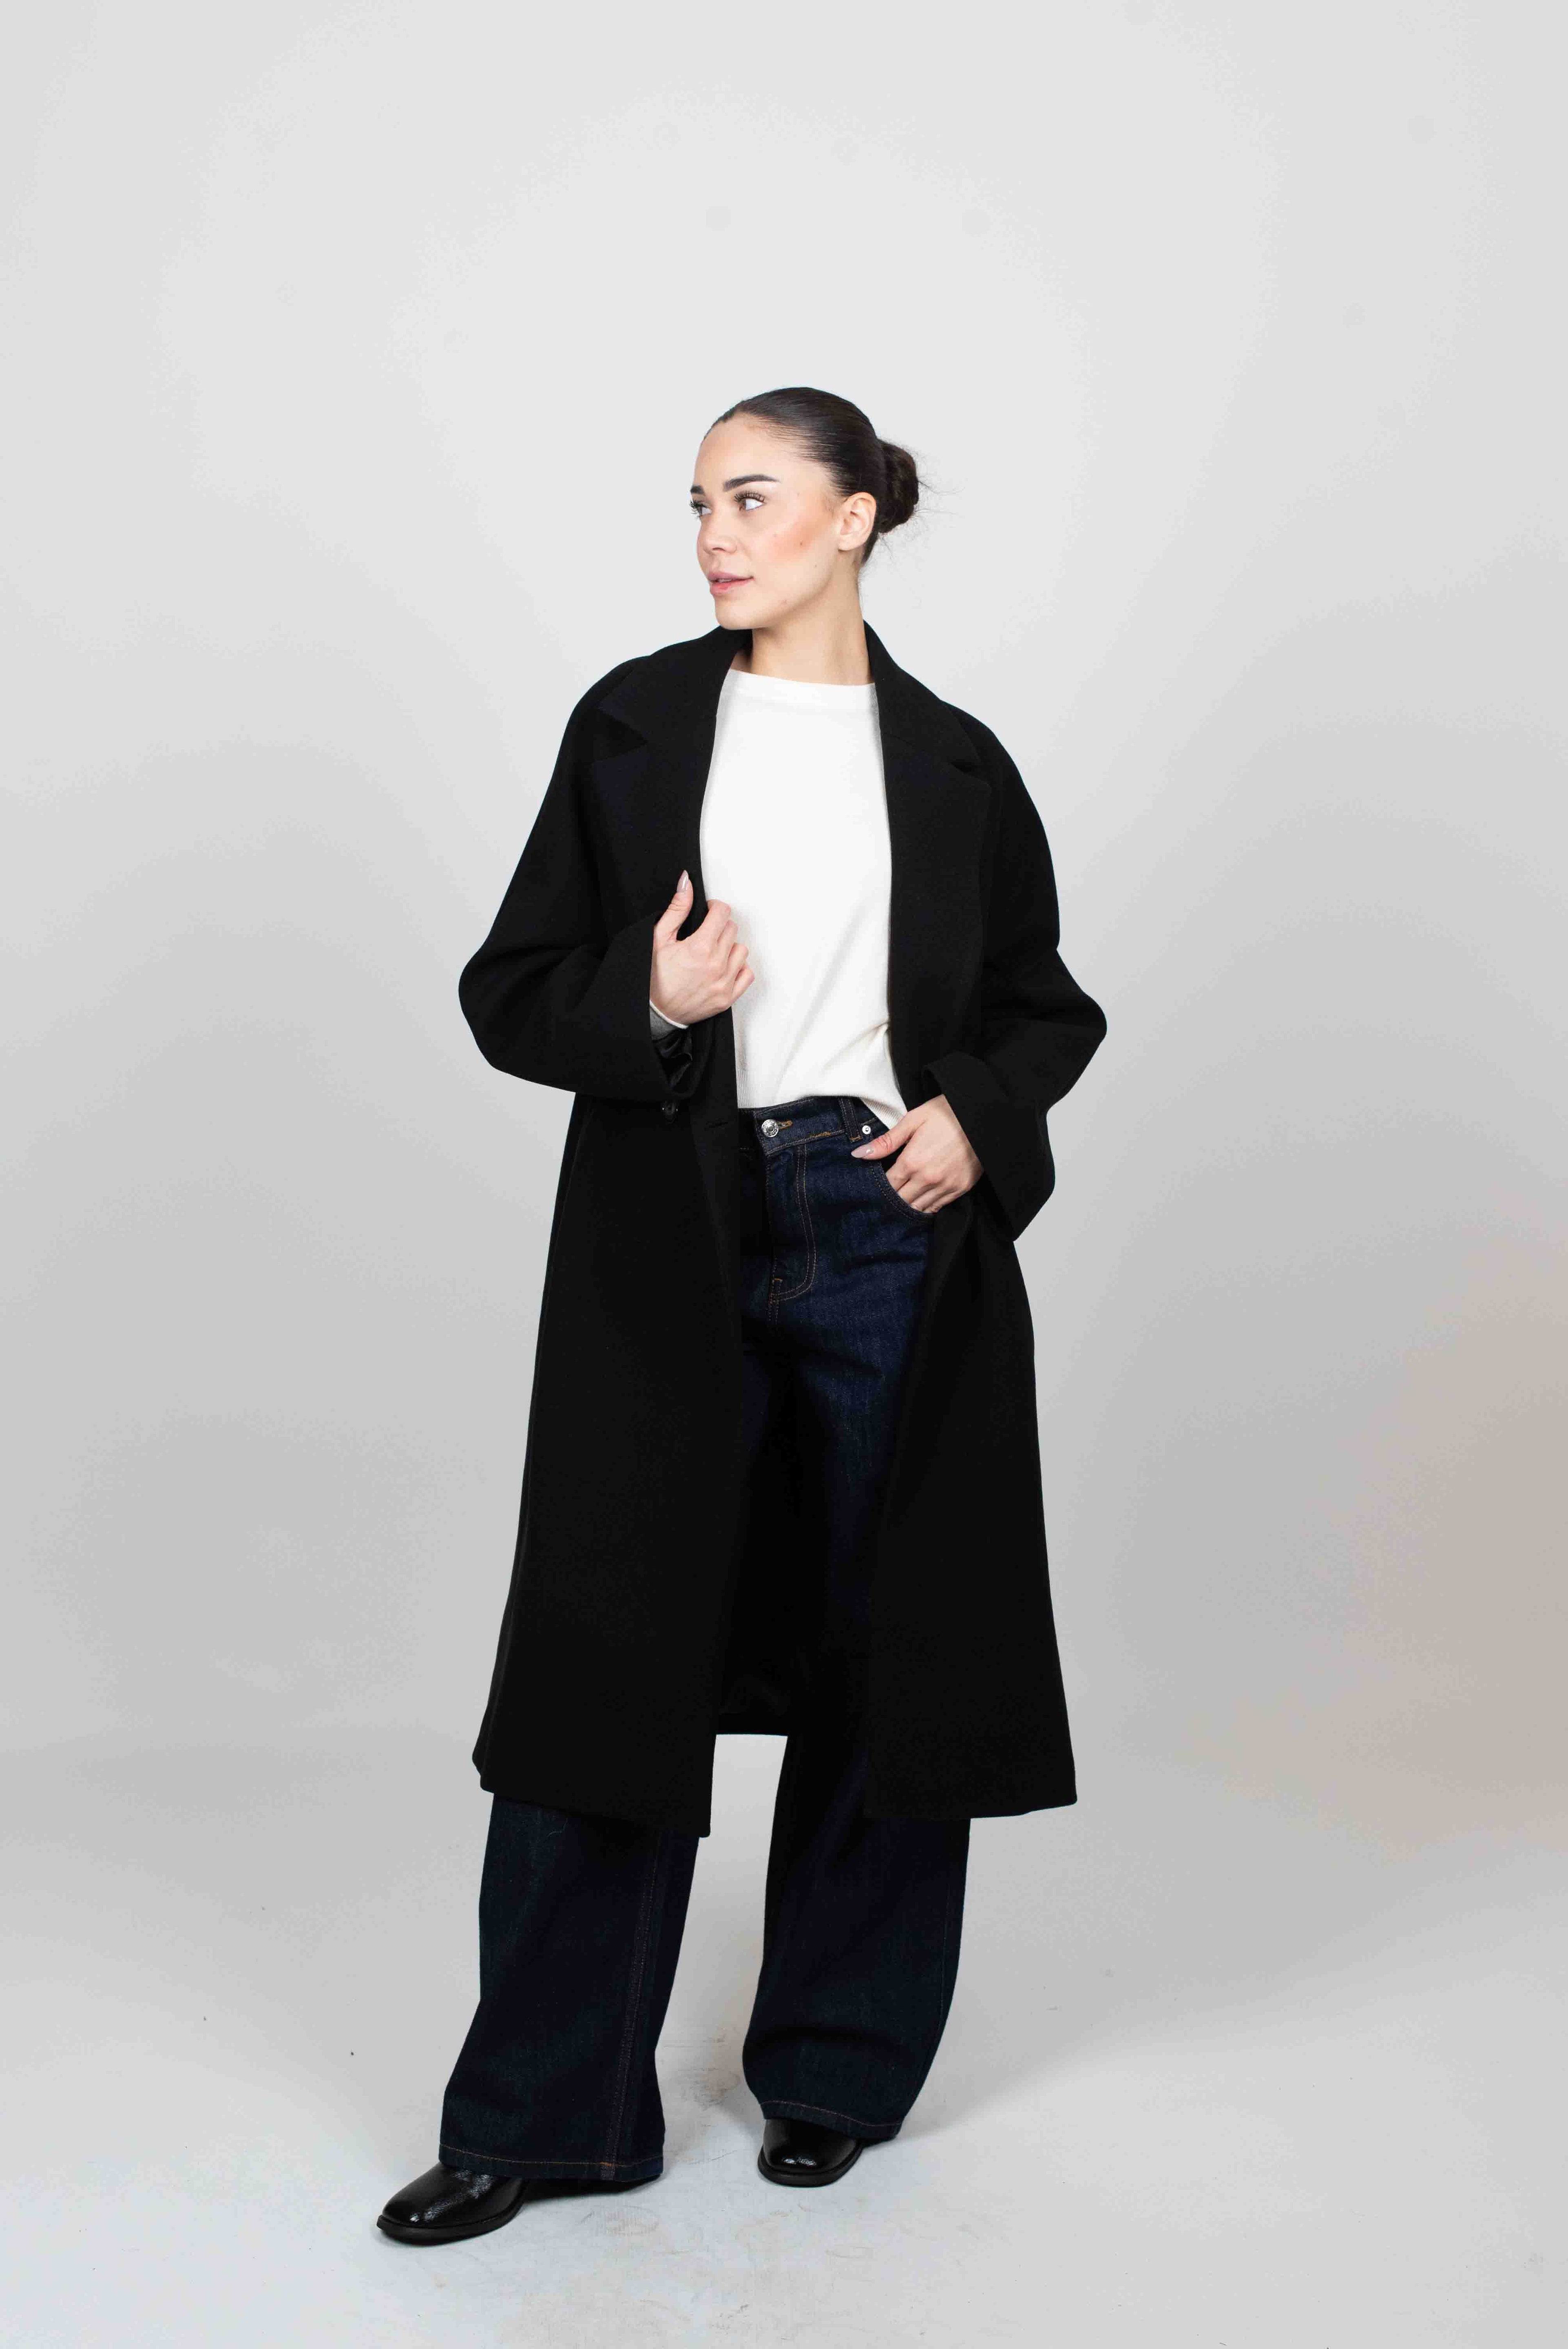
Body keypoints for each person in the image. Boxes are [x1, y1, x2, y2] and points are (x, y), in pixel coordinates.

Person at [377, 386, 1107, 2244]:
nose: (715, 535)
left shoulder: (955, 764)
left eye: (754, 498)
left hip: (886, 1224)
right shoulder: (631, 725)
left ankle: (837, 2073)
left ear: (853, 518)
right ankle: (547, 2118)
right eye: (700, 503)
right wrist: (649, 995)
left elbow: (1043, 1009)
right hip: (673, 1230)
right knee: (609, 1663)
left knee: (890, 1652)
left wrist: (975, 1119)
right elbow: (509, 988)